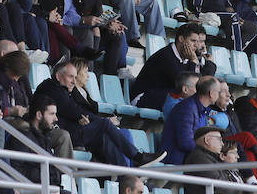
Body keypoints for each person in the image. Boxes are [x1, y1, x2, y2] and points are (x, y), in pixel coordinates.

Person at [34, 60, 162, 167]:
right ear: (58, 76)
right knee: (105, 124)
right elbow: (73, 110)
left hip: (73, 130)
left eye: (75, 77)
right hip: (62, 134)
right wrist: (90, 119)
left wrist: (81, 118)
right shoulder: (52, 88)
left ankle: (126, 175)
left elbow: (75, 111)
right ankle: (137, 157)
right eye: (70, 77)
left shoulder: (62, 88)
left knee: (104, 138)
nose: (74, 81)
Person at [130, 23, 216, 107]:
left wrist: (209, 65)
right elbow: (185, 85)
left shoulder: (186, 56)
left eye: (198, 42)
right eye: (193, 41)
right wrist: (193, 61)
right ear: (181, 39)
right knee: (186, 94)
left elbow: (202, 84)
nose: (196, 45)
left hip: (162, 95)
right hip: (143, 97)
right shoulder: (166, 56)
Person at [182, 127, 237, 194]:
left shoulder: (210, 158)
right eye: (219, 139)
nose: (222, 144)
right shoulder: (199, 158)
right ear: (207, 140)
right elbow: (222, 186)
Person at [161, 76, 216, 164]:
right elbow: (185, 142)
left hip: (192, 159)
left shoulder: (202, 110)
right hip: (177, 162)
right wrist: (208, 151)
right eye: (219, 91)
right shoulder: (186, 109)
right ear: (211, 93)